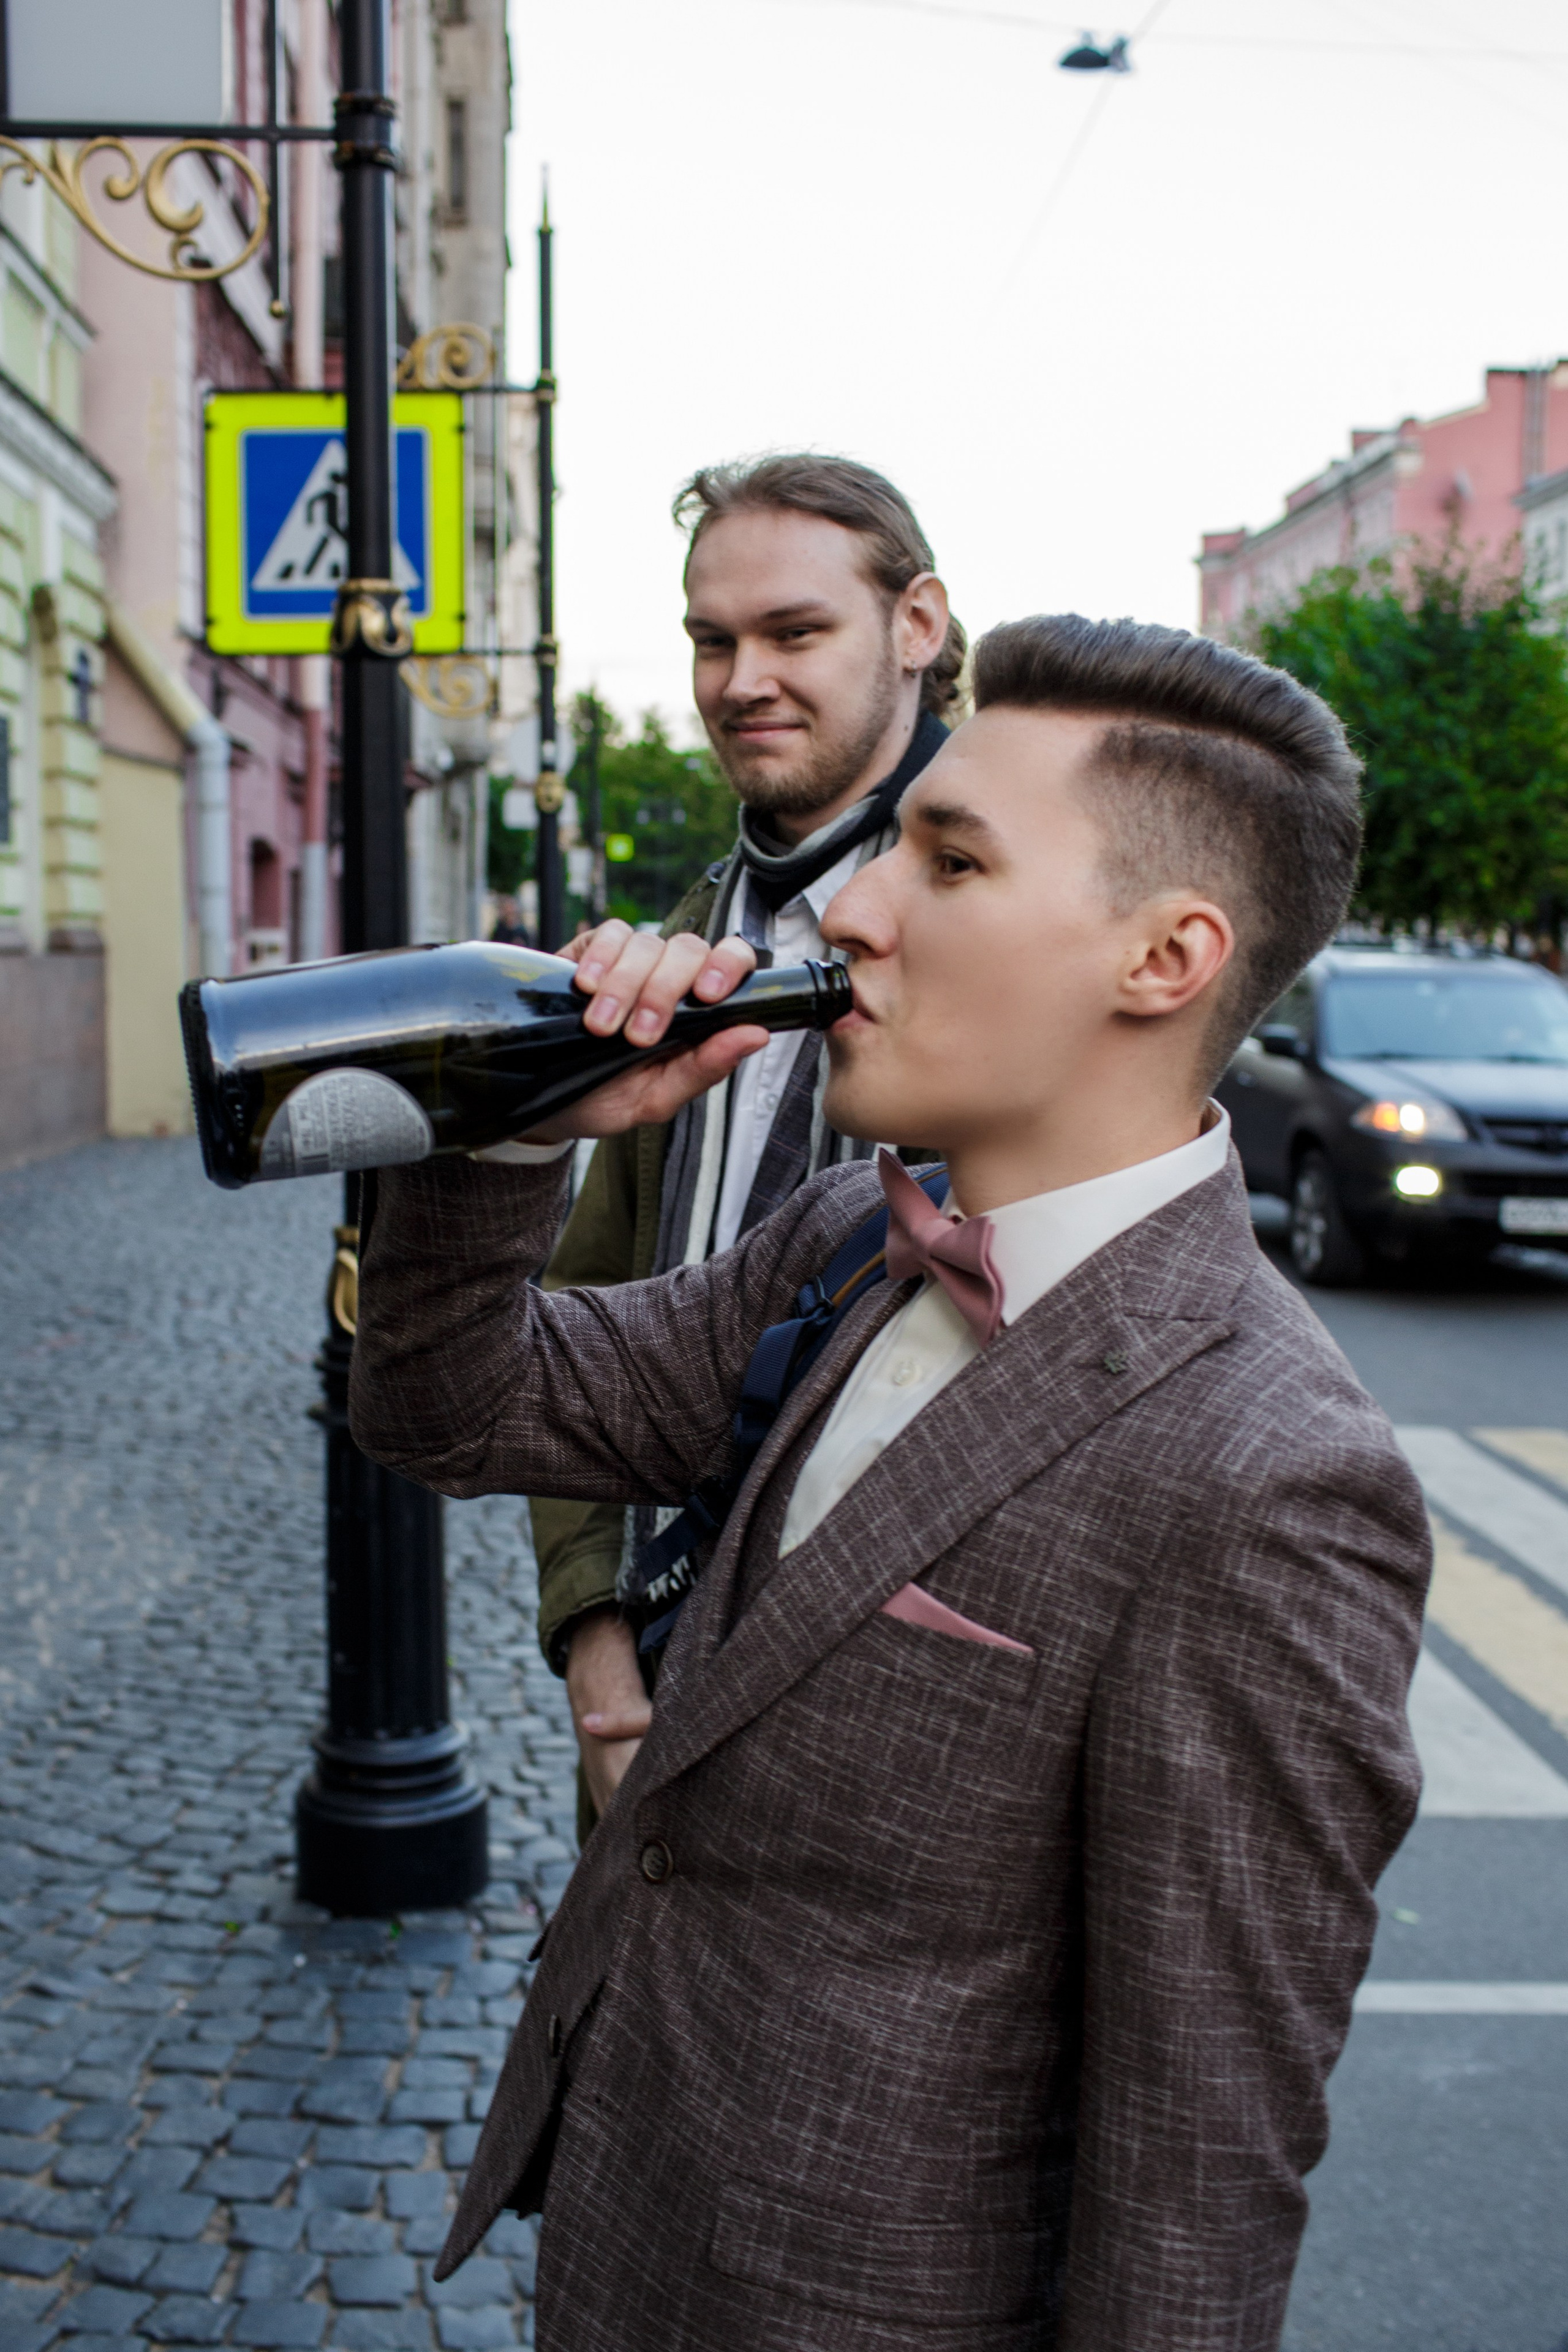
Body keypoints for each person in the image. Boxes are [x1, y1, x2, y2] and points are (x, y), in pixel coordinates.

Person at [350, 615, 1432, 2352]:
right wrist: (526, 1125)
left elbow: (1195, 2172)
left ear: (1164, 956)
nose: (851, 910)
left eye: (951, 860)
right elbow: (450, 1408)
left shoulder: (1271, 1472)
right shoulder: (852, 1236)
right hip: (624, 2234)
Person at [532, 453, 963, 1827]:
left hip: (906, 1727)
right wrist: (597, 1635)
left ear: (915, 624)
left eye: (794, 632)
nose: (740, 681)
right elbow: (588, 1314)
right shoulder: (694, 928)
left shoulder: (1015, 921)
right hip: (657, 1689)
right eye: (711, 641)